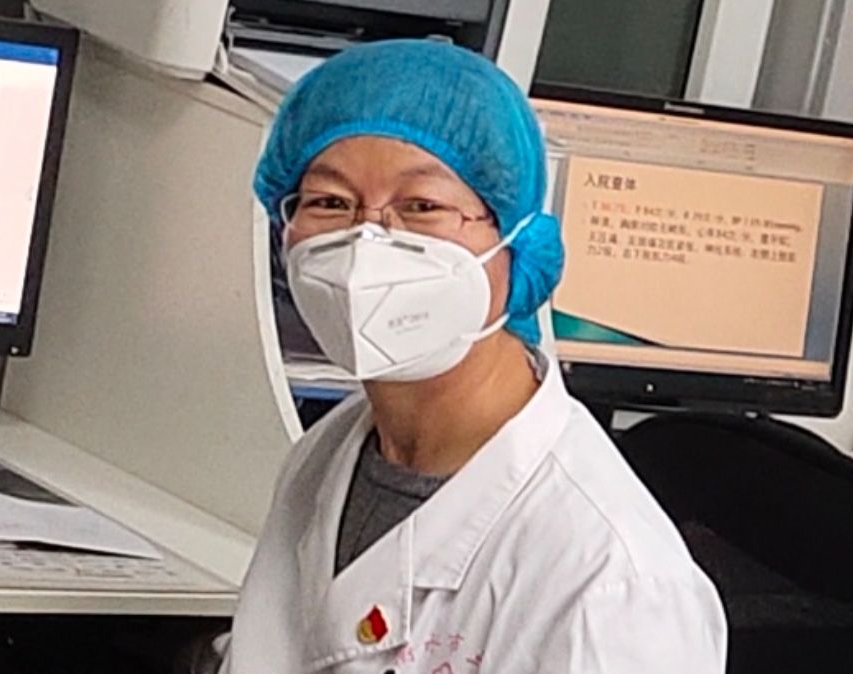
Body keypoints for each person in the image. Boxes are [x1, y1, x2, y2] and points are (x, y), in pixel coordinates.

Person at [218, 39, 727, 673]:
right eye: (329, 202)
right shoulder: (325, 456)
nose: (366, 242)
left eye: (421, 206)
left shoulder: (610, 585)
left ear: (515, 241)